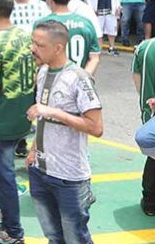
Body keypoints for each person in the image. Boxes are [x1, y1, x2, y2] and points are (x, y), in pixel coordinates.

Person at [27, 20, 103, 244]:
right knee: (53, 236)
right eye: (33, 42)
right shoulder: (42, 73)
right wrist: (34, 150)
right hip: (40, 171)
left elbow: (96, 127)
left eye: (39, 45)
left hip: (69, 177)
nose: (33, 49)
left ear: (58, 48)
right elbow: (43, 118)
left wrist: (54, 112)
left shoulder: (79, 78)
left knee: (75, 238)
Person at [0, 0, 36, 244]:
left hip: (0, 120)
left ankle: (12, 231)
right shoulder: (25, 37)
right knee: (7, 175)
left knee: (4, 177)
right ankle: (6, 220)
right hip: (22, 117)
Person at [132, 10, 155, 223]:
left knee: (154, 158)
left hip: (150, 110)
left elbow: (137, 78)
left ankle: (149, 202)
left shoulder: (144, 46)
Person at [37, 0, 101, 76]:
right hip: (79, 79)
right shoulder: (86, 23)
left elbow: (37, 58)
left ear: (49, 0)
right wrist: (84, 78)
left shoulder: (42, 24)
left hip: (51, 80)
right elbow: (95, 58)